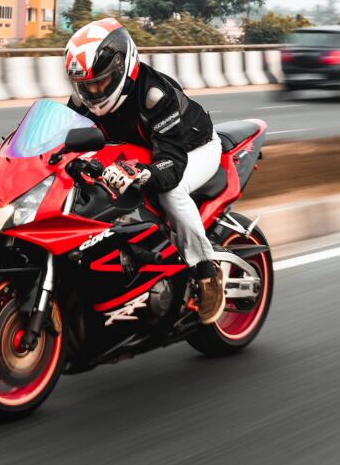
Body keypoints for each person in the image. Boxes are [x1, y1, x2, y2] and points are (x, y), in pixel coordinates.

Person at [63, 17, 225, 324]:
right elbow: (61, 138)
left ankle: (206, 270)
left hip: (193, 148)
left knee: (170, 192)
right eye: (85, 85)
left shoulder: (155, 96)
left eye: (100, 82)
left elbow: (172, 164)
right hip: (140, 151)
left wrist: (145, 174)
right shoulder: (82, 98)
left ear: (123, 68)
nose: (94, 91)